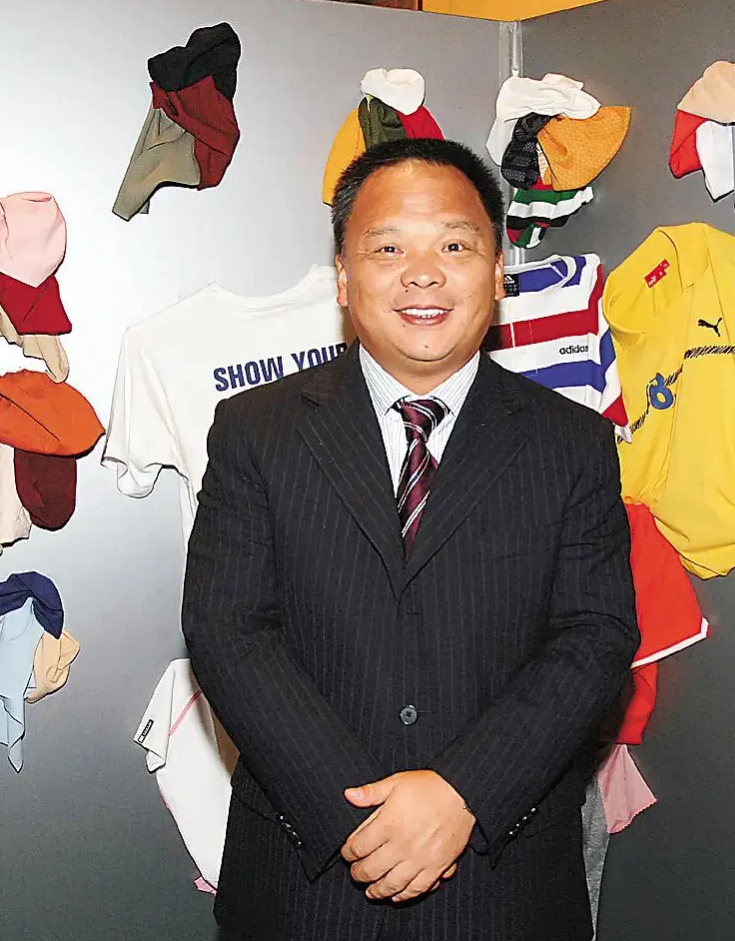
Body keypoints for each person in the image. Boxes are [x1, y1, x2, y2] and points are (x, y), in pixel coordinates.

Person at [182, 137, 637, 941]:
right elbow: (229, 629)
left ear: (498, 272)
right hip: (305, 879)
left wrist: (464, 793)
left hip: (504, 884)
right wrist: (357, 814)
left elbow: (594, 637)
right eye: (388, 248)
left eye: (454, 246)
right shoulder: (256, 429)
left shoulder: (573, 443)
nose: (422, 274)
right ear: (343, 277)